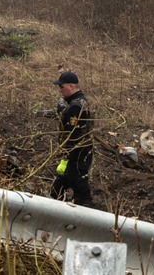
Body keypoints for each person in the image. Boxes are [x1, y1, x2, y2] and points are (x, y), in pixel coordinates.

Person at [50, 70, 95, 207]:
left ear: (71, 85)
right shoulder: (82, 102)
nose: (59, 90)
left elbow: (72, 135)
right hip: (81, 151)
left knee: (79, 185)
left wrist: (65, 157)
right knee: (58, 188)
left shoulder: (76, 107)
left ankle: (87, 215)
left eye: (61, 86)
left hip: (77, 153)